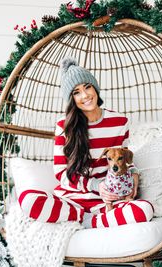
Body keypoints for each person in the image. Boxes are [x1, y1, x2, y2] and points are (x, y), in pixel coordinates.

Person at [18, 57, 154, 228]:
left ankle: (93, 220)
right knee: (28, 200)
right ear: (72, 99)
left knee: (144, 210)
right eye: (76, 92)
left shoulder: (120, 121)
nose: (85, 95)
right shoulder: (63, 126)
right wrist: (96, 185)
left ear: (95, 87)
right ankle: (83, 217)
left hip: (108, 199)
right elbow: (61, 173)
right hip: (71, 199)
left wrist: (134, 175)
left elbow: (125, 159)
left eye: (87, 87)